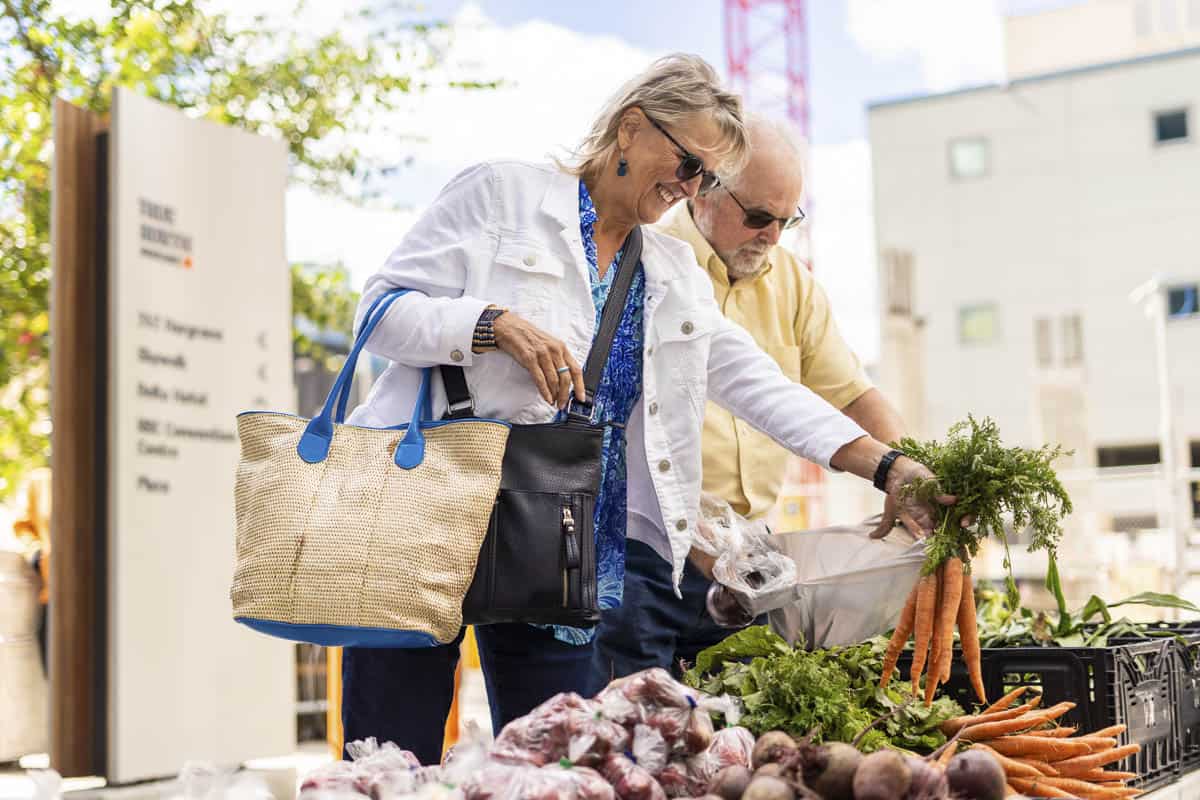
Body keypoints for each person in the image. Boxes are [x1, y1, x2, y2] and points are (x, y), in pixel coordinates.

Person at [341, 54, 955, 766]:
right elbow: (379, 314)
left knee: (557, 765)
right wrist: (490, 323)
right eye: (688, 161)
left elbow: (761, 386)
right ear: (631, 127)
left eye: (706, 178)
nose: (690, 187)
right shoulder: (502, 195)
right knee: (388, 755)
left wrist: (886, 465)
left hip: (558, 543)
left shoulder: (668, 271)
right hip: (427, 511)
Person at [590, 115, 911, 687]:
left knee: (732, 731)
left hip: (745, 558)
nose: (772, 237)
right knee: (635, 729)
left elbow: (852, 395)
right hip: (644, 552)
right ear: (705, 189)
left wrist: (912, 474)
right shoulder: (647, 263)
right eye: (759, 217)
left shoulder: (793, 281)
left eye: (788, 221)